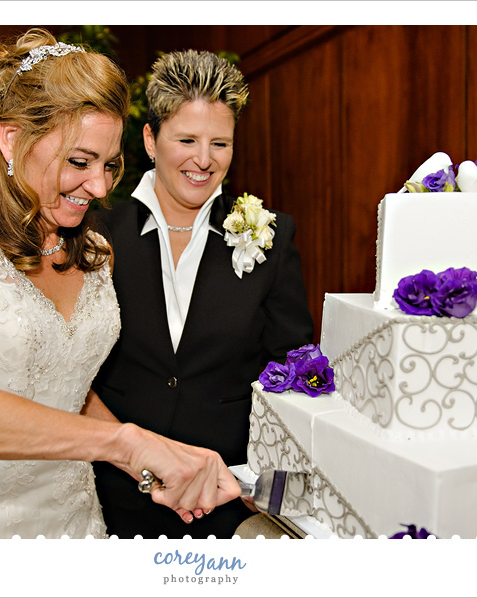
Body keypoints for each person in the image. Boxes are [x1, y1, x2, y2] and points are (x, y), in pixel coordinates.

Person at [0, 29, 240, 539]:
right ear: (12, 139)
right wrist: (123, 445)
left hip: (70, 516)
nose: (101, 186)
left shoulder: (92, 251)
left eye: (110, 165)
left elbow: (64, 386)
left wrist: (152, 460)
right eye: (79, 162)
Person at [91, 50, 314, 538]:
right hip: (110, 494)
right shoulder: (96, 232)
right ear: (150, 140)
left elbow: (291, 368)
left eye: (220, 143)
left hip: (224, 501)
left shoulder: (269, 237)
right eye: (186, 140)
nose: (204, 159)